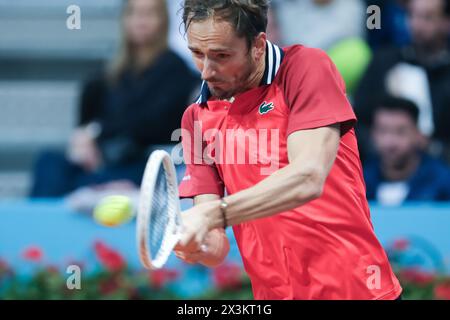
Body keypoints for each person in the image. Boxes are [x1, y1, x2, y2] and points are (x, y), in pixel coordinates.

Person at [173, 0, 402, 300]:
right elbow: (216, 246)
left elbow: (308, 177)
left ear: (257, 45)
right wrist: (195, 242)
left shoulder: (305, 69)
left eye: (221, 55)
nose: (206, 71)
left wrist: (212, 215)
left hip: (357, 291)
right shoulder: (196, 117)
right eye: (197, 54)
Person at [30, 0, 199, 197]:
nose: (140, 21)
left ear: (163, 20)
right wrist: (85, 137)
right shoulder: (110, 74)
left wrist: (97, 132)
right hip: (104, 161)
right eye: (134, 14)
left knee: (82, 185)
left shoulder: (176, 71)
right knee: (48, 162)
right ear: (124, 20)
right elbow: (88, 118)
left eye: (149, 14)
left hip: (142, 163)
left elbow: (149, 123)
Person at [354, 0, 450, 162]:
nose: (416, 24)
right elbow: (357, 118)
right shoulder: (384, 61)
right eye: (412, 15)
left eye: (427, 17)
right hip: (377, 168)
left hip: (438, 171)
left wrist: (432, 148)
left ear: (446, 22)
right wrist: (380, 142)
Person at [364, 96, 450, 205]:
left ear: (418, 134)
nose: (390, 142)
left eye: (401, 132)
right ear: (373, 133)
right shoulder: (359, 181)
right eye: (383, 131)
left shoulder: (443, 182)